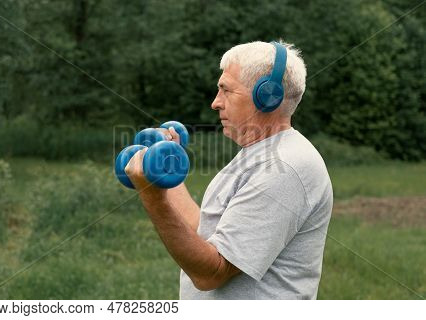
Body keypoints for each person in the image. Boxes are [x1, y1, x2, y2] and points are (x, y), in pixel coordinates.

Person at [125, 41, 333, 299]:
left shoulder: (285, 167)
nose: (215, 103)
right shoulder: (260, 154)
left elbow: (211, 273)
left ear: (267, 96)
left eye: (226, 90)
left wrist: (153, 197)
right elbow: (206, 231)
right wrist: (166, 175)